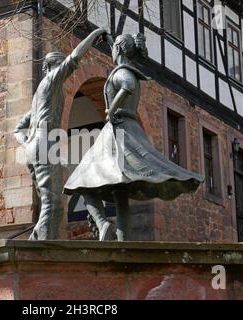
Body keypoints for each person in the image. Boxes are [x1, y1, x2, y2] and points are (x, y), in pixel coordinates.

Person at [64, 33, 204, 241]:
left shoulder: (122, 72)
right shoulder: (125, 66)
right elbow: (121, 58)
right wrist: (108, 38)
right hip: (128, 127)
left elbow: (126, 85)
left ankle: (102, 224)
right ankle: (123, 240)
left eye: (114, 48)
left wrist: (111, 109)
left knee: (80, 179)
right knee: (119, 188)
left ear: (119, 51)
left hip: (118, 128)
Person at [14, 28, 108, 240]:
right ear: (50, 68)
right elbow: (75, 57)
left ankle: (37, 241)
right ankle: (41, 252)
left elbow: (18, 128)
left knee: (53, 204)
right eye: (57, 66)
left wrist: (28, 143)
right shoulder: (50, 81)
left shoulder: (40, 97)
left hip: (37, 146)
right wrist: (95, 34)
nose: (61, 72)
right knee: (52, 203)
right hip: (44, 144)